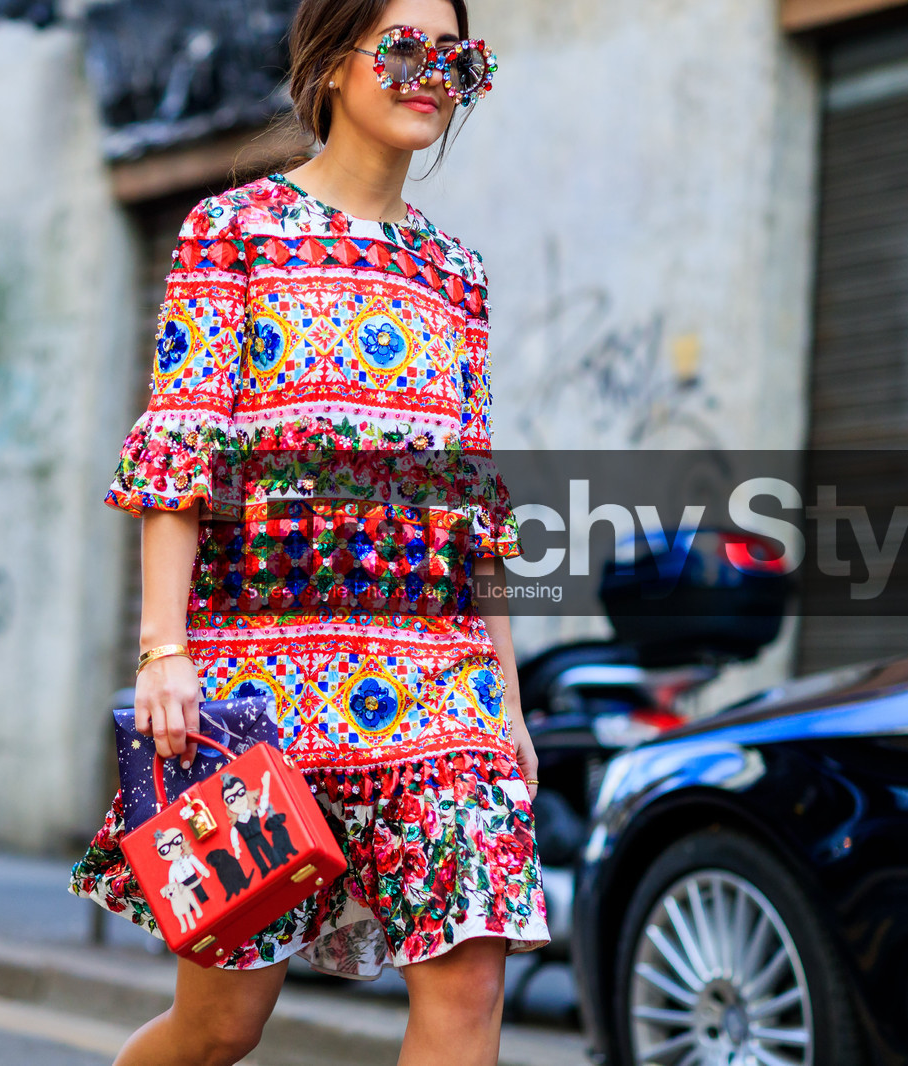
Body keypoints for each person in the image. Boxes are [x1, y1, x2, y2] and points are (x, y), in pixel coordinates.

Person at [69, 1, 548, 1062]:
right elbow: (181, 446)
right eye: (408, 50)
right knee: (218, 1029)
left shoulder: (458, 274)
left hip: (442, 691)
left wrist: (508, 700)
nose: (434, 77)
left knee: (470, 983)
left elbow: (472, 499)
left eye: (456, 58)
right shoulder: (233, 231)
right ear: (331, 63)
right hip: (262, 695)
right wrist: (162, 649)